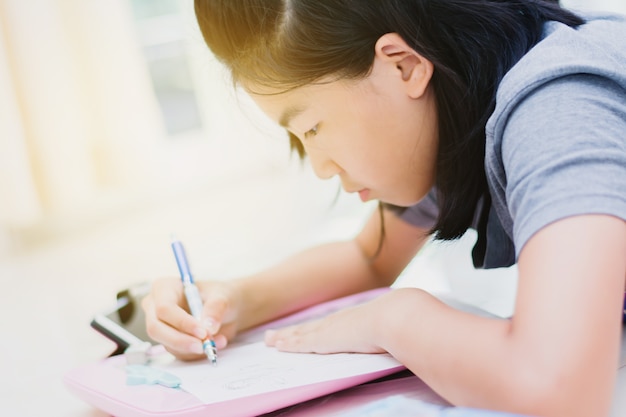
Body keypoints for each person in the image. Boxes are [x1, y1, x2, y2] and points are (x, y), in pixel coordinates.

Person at [142, 1, 626, 416]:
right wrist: (232, 300)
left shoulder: (558, 108)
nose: (320, 168)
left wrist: (395, 320)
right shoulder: (462, 98)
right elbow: (370, 256)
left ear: (403, 65)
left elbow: (562, 389)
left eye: (311, 128)